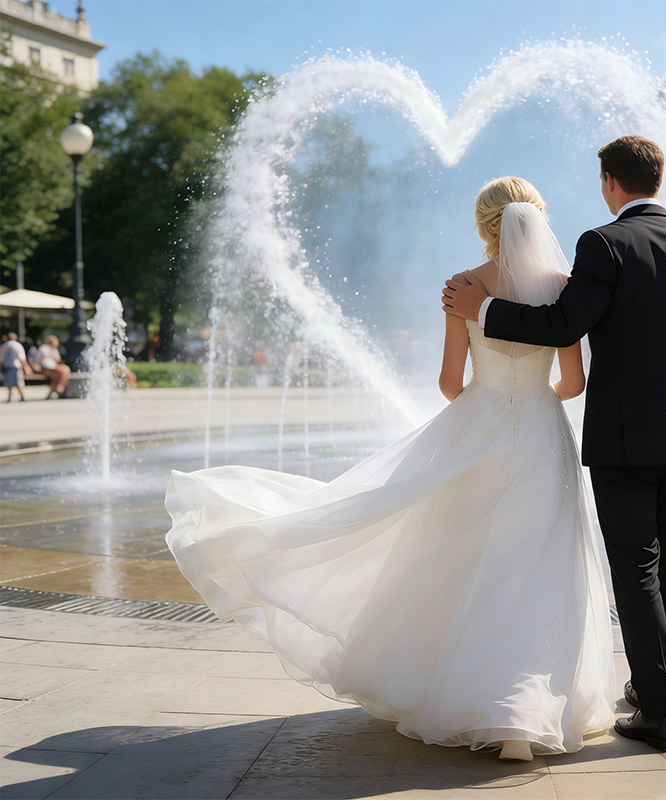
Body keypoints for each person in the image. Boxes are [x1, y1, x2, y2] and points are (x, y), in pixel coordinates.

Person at [166, 177, 615, 760]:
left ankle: (476, 699)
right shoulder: (562, 286)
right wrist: (534, 395)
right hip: (542, 432)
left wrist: (490, 398)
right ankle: (523, 720)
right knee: (539, 566)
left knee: (466, 558)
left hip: (479, 430)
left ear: (484, 226)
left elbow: (450, 383)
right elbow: (574, 383)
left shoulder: (463, 287)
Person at [443, 136, 666, 752]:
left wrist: (487, 309)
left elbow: (561, 324)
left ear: (610, 182)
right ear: (657, 180)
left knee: (637, 566)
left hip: (624, 437)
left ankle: (658, 708)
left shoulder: (602, 244)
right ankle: (652, 687)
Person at [0, 332, 32, 402]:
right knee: (18, 382)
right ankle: (22, 397)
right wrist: (26, 367)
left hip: (6, 367)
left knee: (10, 383)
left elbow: (1, 358)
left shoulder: (3, 346)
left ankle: (10, 398)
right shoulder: (17, 345)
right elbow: (22, 358)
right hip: (15, 367)